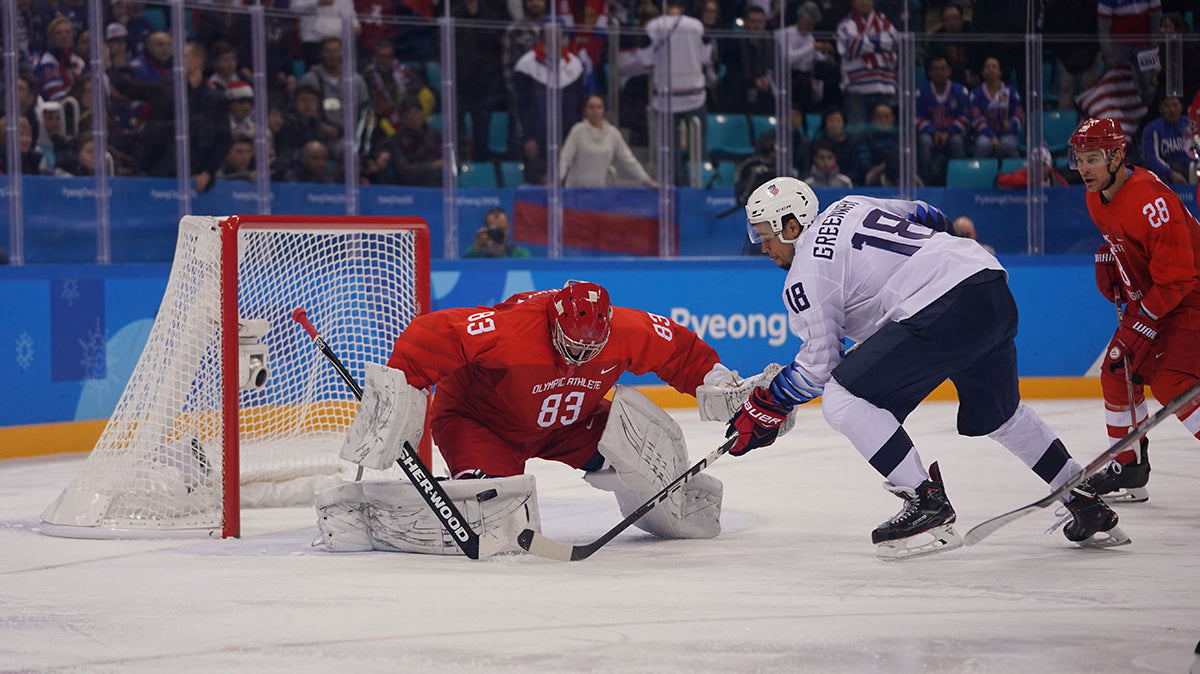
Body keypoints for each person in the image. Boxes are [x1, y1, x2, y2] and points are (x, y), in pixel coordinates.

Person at [722, 176, 1125, 559]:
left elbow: (821, 365)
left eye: (764, 234)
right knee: (1003, 415)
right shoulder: (853, 204)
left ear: (792, 225)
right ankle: (1082, 496)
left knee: (842, 399)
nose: (761, 246)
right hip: (988, 285)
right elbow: (927, 214)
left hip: (939, 307)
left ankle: (925, 502)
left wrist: (766, 405)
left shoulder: (806, 271)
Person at [315, 281, 733, 554]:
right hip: (482, 424)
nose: (580, 358)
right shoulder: (512, 329)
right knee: (493, 523)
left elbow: (678, 349)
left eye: (591, 350)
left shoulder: (626, 329)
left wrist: (715, 379)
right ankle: (370, 515)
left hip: (567, 425)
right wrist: (401, 391)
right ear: (553, 323)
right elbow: (432, 334)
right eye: (570, 347)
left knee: (645, 454)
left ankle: (671, 500)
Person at [1068, 117, 1200, 503]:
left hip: (1189, 299)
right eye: (1079, 159)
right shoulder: (1096, 196)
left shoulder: (1152, 202)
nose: (1084, 168)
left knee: (1171, 383)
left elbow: (1179, 278)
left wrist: (1143, 323)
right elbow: (1121, 234)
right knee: (1116, 370)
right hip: (1156, 301)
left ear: (1116, 156)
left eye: (1092, 158)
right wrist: (1108, 252)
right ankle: (1128, 468)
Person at [560, 95, 657, 188]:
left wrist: (648, 181)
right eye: (591, 107)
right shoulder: (577, 131)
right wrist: (557, 181)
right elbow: (565, 159)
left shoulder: (613, 133)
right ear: (585, 111)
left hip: (601, 190)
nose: (595, 111)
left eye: (599, 107)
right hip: (576, 190)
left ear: (604, 111)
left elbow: (629, 161)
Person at [835, 0, 898, 129]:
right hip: (857, 89)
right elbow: (852, 45)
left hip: (883, 86)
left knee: (883, 134)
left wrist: (865, 41)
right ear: (853, 3)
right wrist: (880, 42)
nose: (864, 2)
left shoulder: (884, 21)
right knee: (858, 133)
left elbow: (894, 42)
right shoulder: (846, 24)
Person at [914, 56, 969, 186]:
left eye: (943, 69)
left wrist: (948, 133)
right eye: (936, 69)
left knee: (956, 141)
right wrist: (934, 132)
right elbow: (917, 117)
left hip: (953, 134)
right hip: (930, 134)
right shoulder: (922, 92)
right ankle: (925, 184)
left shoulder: (960, 91)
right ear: (930, 72)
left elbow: (965, 117)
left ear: (949, 71)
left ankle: (958, 182)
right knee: (924, 141)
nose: (939, 72)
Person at [970, 56, 1024, 160]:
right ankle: (978, 174)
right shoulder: (976, 93)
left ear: (1000, 72)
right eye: (987, 67)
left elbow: (1018, 114)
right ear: (983, 72)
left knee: (1008, 144)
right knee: (983, 144)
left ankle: (1017, 172)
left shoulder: (1010, 92)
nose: (990, 69)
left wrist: (1011, 124)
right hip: (984, 134)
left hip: (1007, 134)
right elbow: (976, 118)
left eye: (994, 67)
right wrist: (991, 135)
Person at [1141, 95, 1192, 184]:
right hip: (1165, 176)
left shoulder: (1190, 125)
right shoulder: (1152, 128)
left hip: (1190, 172)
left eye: (1175, 105)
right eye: (1167, 106)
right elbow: (1150, 158)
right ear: (1161, 109)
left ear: (1181, 107)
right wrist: (1171, 174)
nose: (1172, 109)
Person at [464, 208, 532, 258]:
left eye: (503, 229)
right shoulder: (476, 254)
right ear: (486, 230)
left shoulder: (520, 254)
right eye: (495, 229)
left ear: (509, 228)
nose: (499, 233)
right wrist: (477, 247)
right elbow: (464, 269)